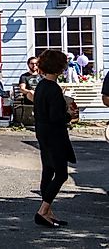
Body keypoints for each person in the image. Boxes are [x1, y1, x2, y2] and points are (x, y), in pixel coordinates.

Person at [33, 49, 76, 228]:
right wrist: (70, 115)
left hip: (42, 133)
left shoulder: (41, 86)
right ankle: (43, 211)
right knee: (61, 174)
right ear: (59, 68)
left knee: (48, 171)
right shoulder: (54, 89)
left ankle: (48, 211)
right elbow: (56, 117)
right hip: (55, 135)